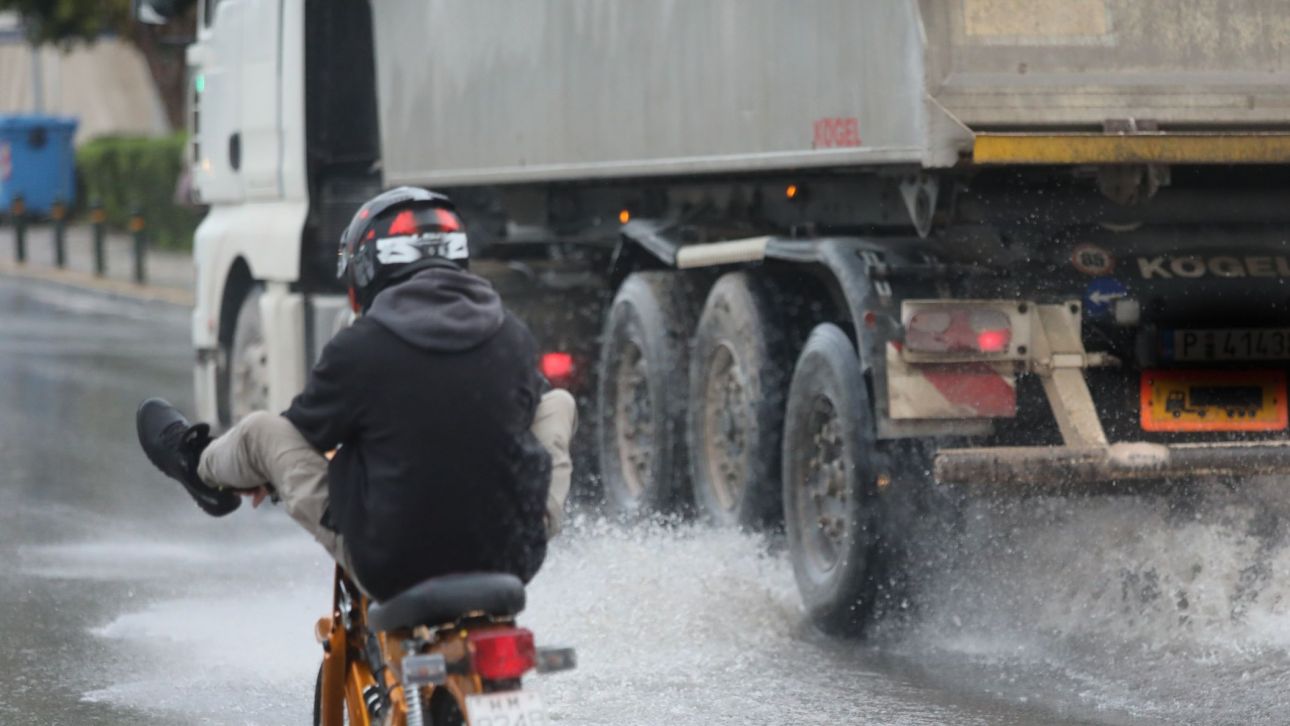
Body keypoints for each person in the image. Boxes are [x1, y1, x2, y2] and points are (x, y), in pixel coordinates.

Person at [136, 187, 577, 600]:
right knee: (558, 403)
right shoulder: (511, 336)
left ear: (367, 271)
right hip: (514, 556)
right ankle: (532, 522)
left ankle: (200, 467)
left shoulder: (360, 347)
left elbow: (303, 436)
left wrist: (258, 473)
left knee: (262, 433)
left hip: (393, 564)